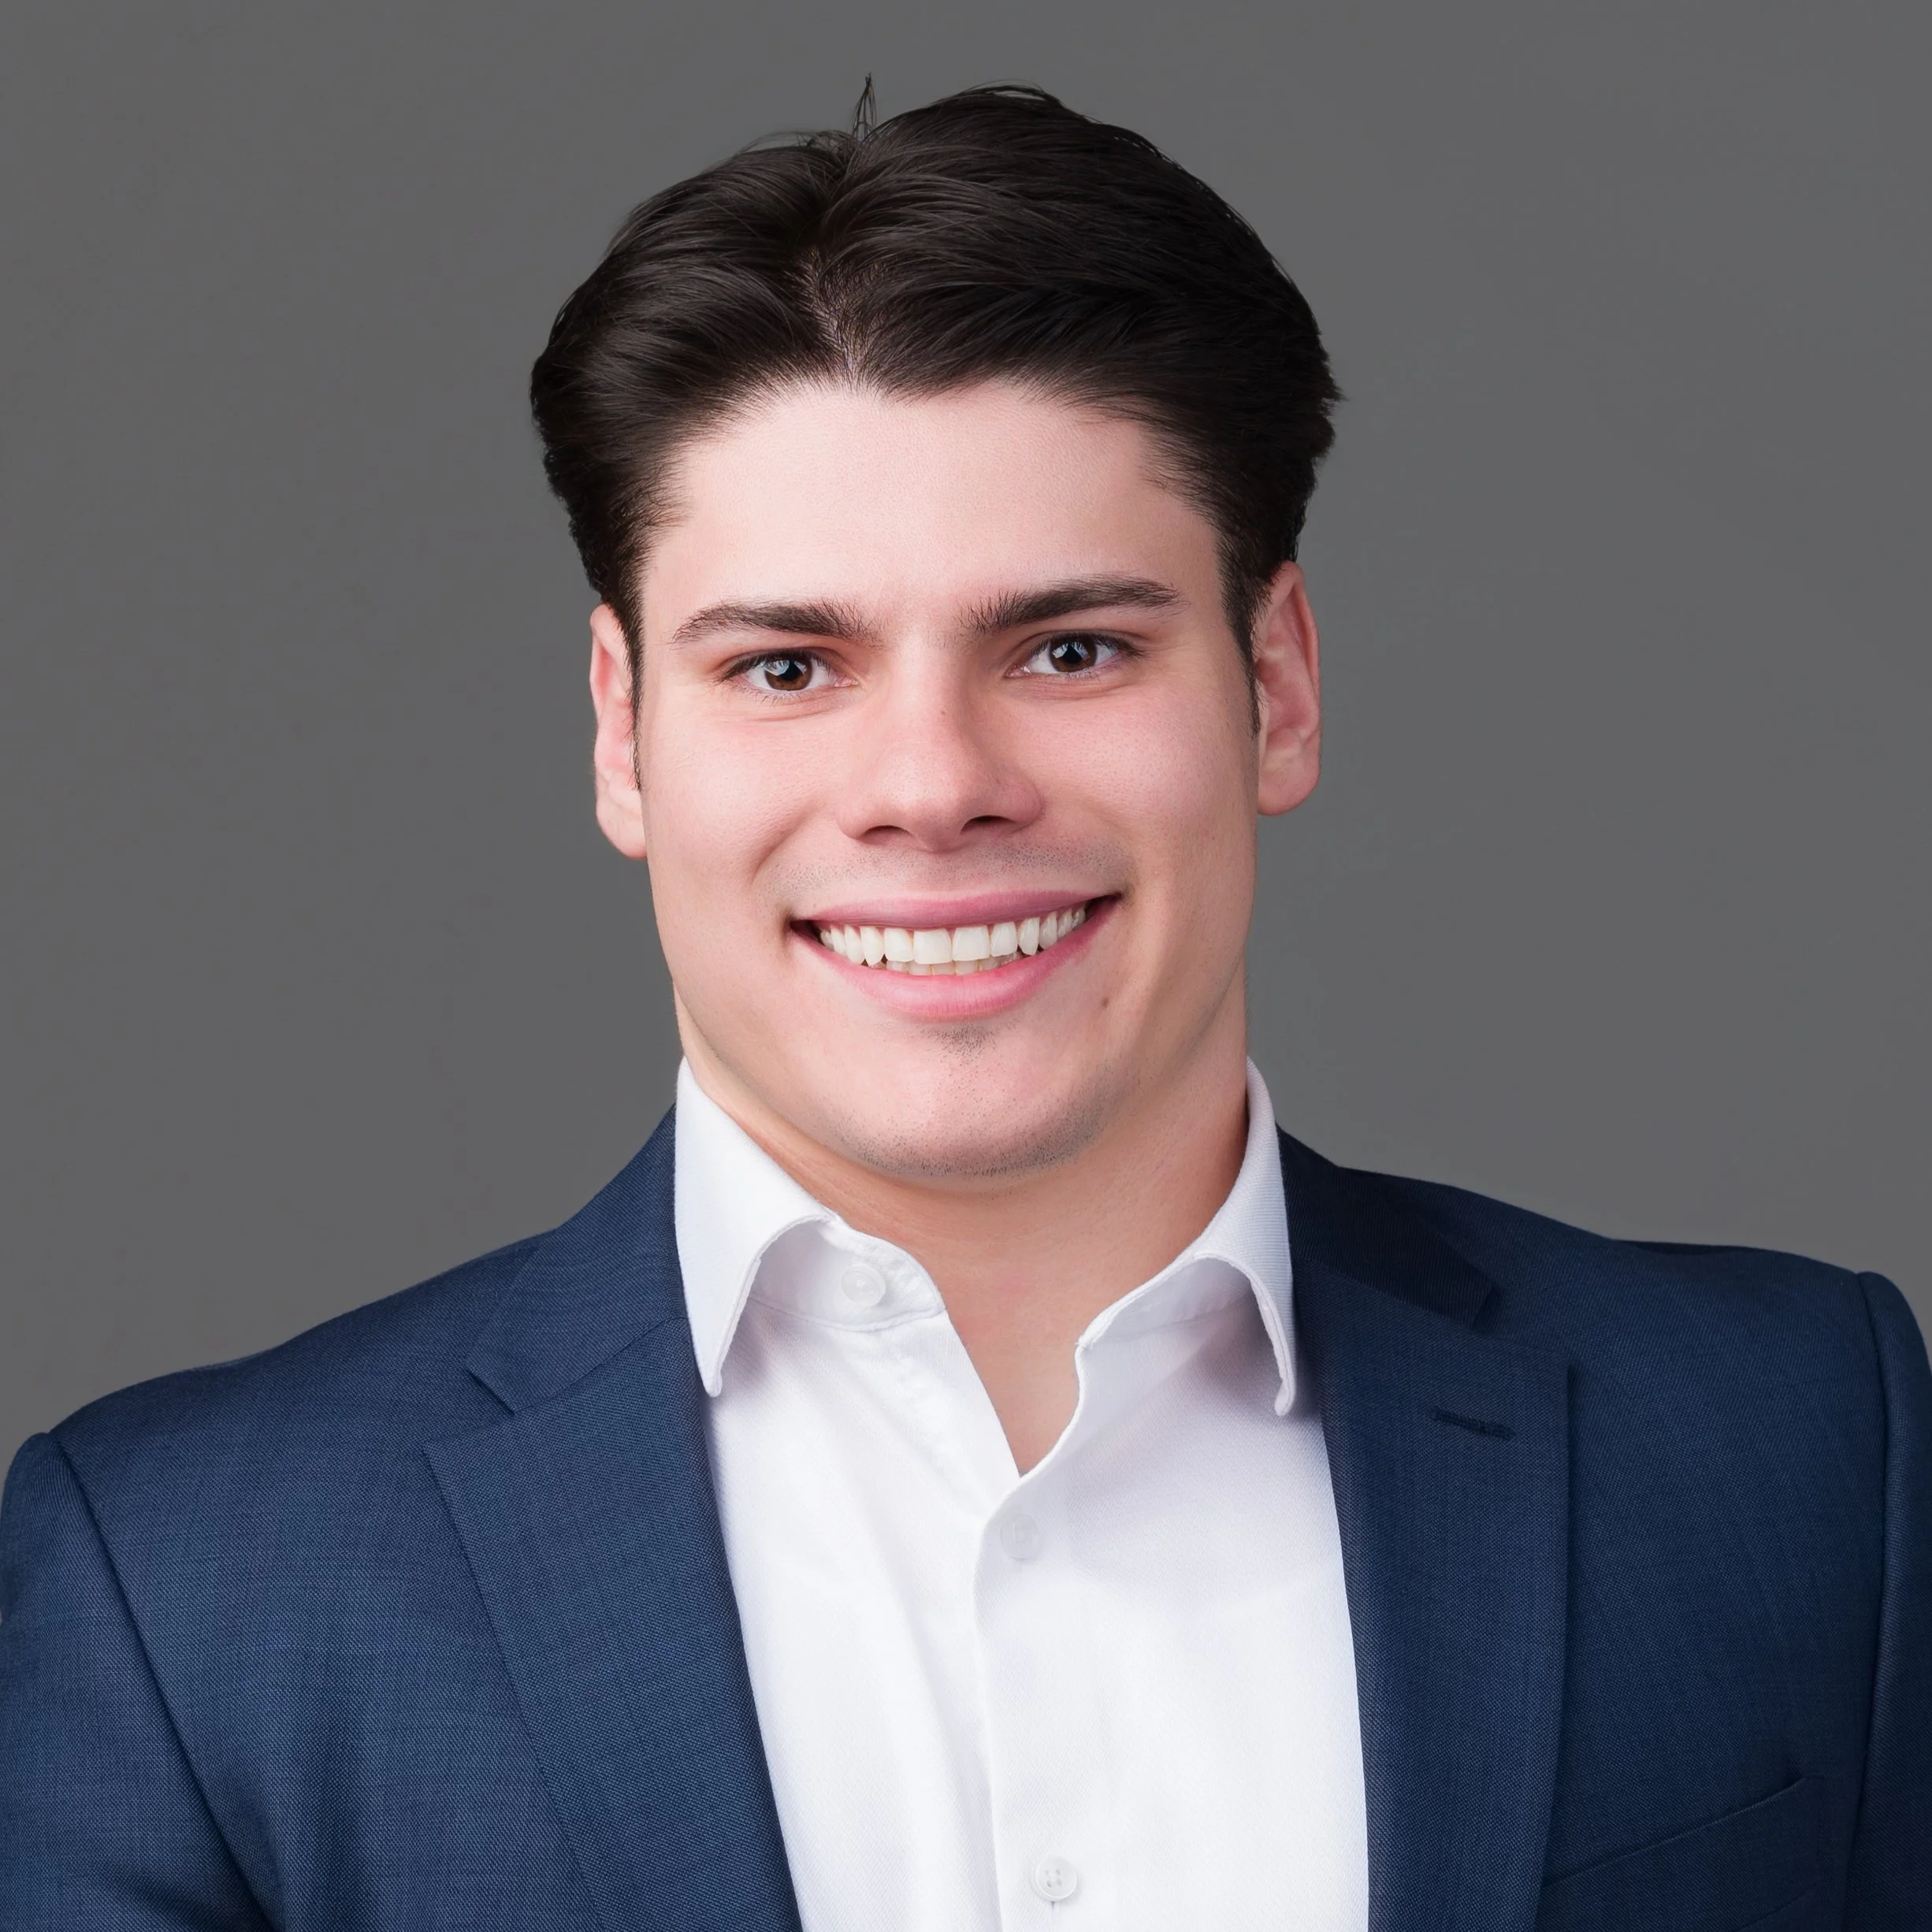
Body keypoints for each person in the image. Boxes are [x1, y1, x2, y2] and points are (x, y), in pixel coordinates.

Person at [1, 83, 1924, 1932]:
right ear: (621, 729)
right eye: (783, 665)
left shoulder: (1794, 1452)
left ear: (1276, 682)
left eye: (1069, 645)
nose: (932, 780)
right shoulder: (180, 1582)